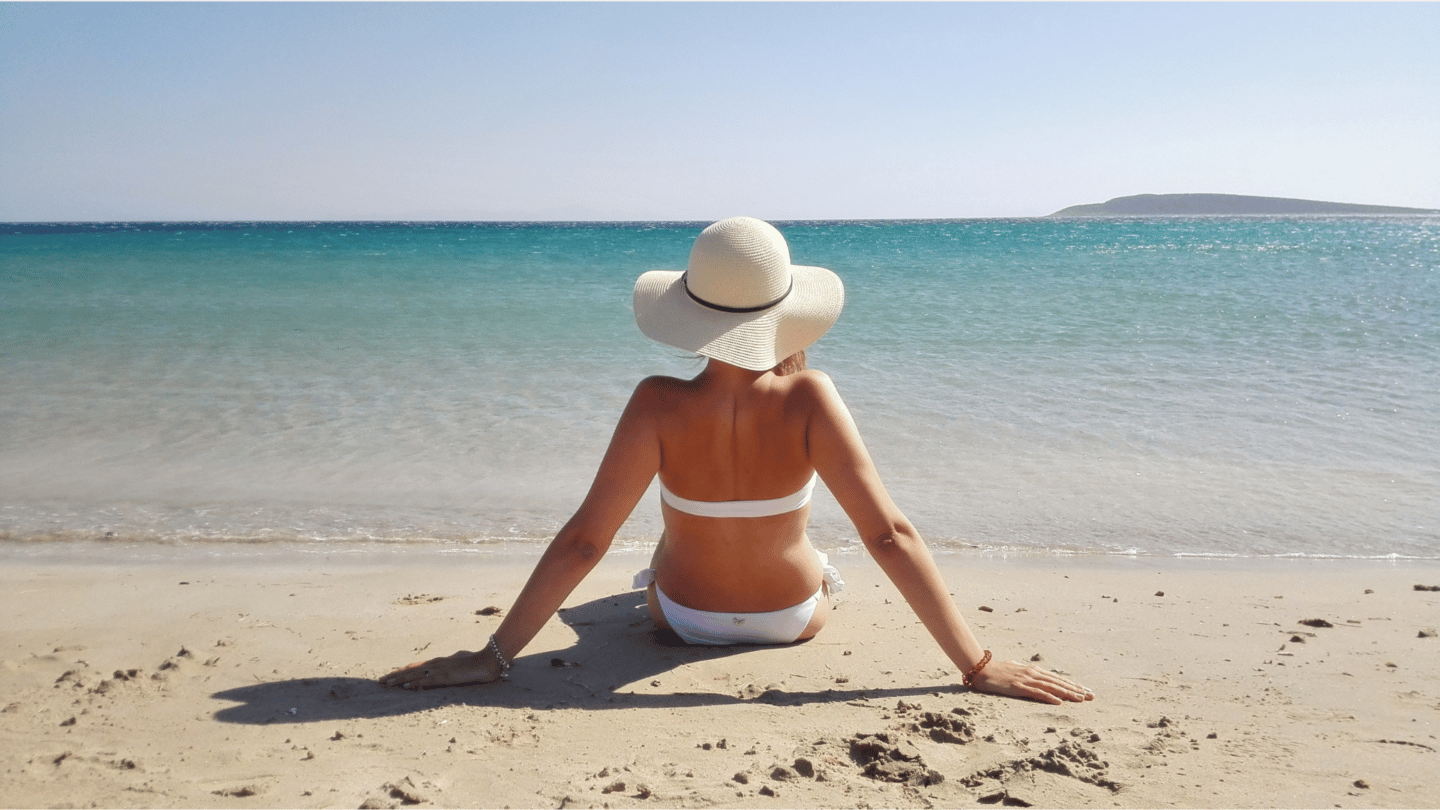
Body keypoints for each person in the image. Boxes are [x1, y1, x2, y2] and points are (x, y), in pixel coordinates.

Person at [381, 216, 1092, 704]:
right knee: (800, 532)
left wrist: (494, 657)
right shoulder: (810, 394)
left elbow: (585, 541)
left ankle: (683, 566)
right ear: (783, 313)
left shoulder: (657, 402)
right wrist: (978, 664)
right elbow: (889, 536)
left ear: (691, 312)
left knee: (664, 532)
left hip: (681, 618)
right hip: (792, 616)